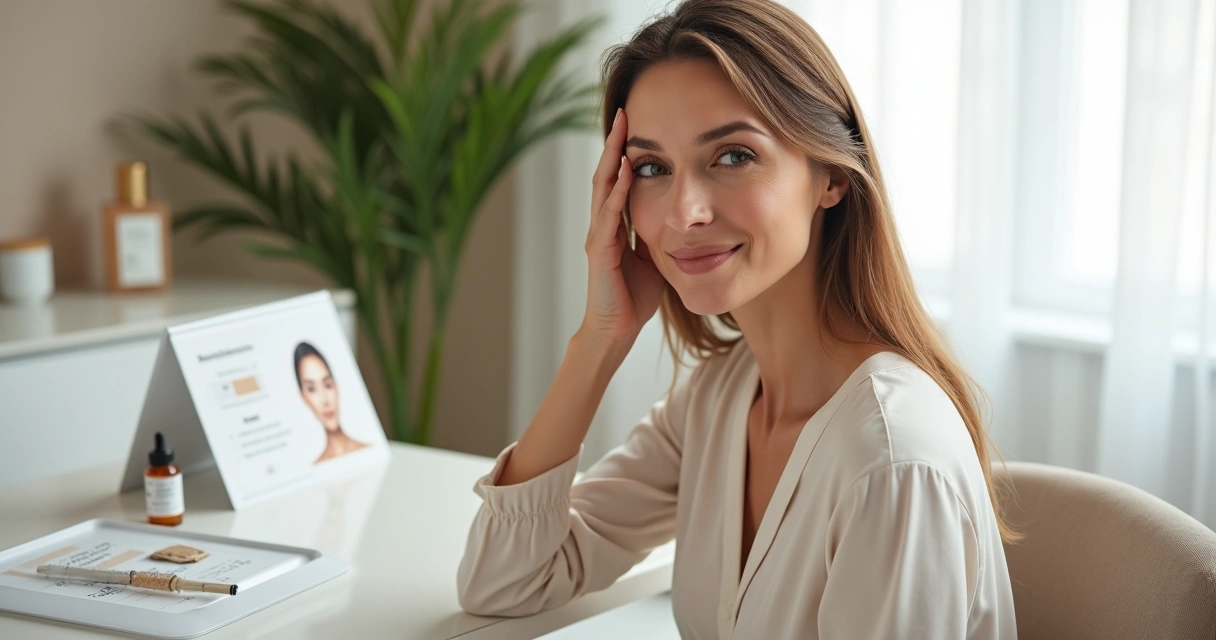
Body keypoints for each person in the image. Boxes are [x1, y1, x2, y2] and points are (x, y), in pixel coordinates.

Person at [457, 0, 1019, 637]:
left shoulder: (890, 461)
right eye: (650, 168)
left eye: (732, 156)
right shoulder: (719, 400)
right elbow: (503, 582)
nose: (685, 212)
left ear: (831, 174)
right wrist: (598, 342)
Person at [294, 341, 368, 464]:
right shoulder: (315, 466)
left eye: (327, 385)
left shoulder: (369, 451)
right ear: (303, 398)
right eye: (312, 389)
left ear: (336, 387)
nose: (325, 400)